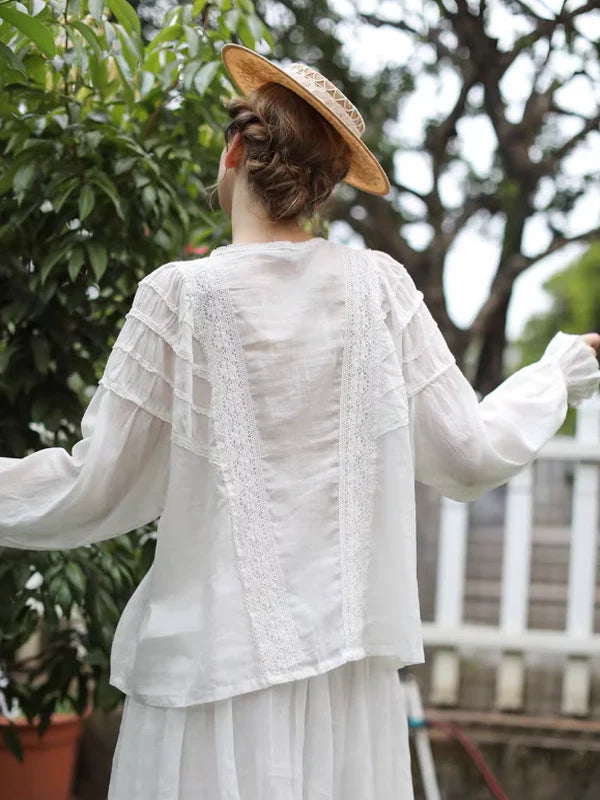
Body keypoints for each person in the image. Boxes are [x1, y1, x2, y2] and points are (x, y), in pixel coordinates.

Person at [1, 43, 599, 800]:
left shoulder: (178, 296)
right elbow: (469, 454)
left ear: (234, 151)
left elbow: (96, 489)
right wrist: (558, 375)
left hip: (208, 691)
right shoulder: (380, 289)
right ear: (323, 187)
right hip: (349, 702)